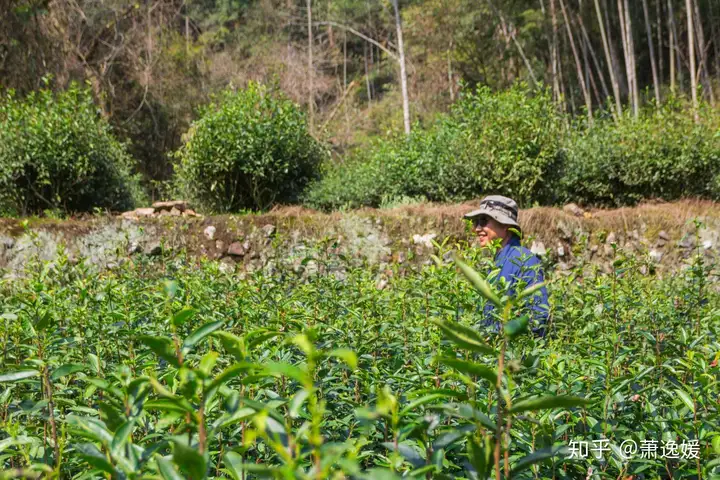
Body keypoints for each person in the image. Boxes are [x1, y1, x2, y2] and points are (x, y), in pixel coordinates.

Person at [464, 195, 549, 336]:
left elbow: (537, 318)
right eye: (476, 222)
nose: (477, 228)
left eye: (484, 221)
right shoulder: (494, 264)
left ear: (505, 226)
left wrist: (498, 337)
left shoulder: (524, 261)